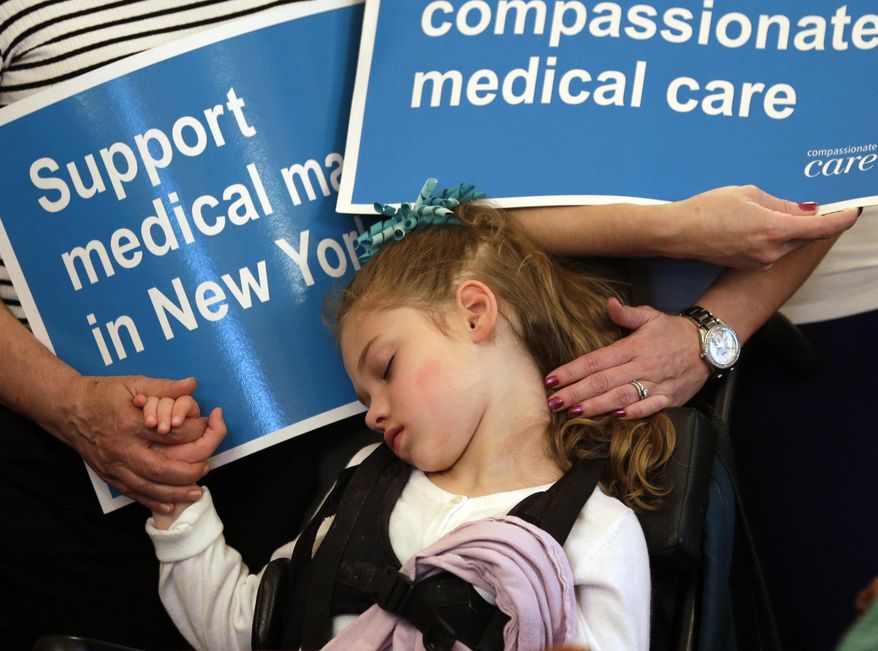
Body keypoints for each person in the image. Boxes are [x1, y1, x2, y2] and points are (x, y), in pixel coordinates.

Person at [138, 181, 677, 651]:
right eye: (363, 398)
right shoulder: (360, 486)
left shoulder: (596, 531)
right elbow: (248, 631)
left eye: (386, 367)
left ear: (474, 313)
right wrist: (176, 506)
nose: (373, 415)